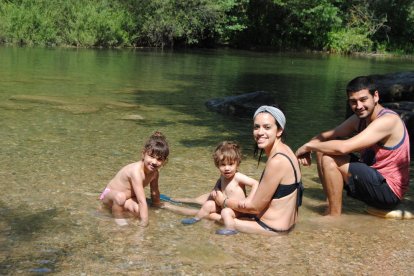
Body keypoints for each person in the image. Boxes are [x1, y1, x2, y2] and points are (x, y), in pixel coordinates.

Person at [295, 76, 410, 216]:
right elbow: (326, 136)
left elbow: (343, 147)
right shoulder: (360, 119)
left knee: (330, 158)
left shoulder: (388, 120)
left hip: (389, 193)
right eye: (353, 102)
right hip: (373, 182)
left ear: (376, 96)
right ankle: (330, 203)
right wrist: (312, 145)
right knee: (322, 151)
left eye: (363, 99)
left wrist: (307, 147)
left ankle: (333, 216)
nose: (359, 106)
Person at [212, 105, 304, 235]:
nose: (260, 132)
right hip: (286, 224)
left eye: (267, 127)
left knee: (211, 215)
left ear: (279, 130)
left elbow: (255, 207)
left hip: (272, 228)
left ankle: (173, 208)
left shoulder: (277, 161)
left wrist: (224, 201)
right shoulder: (287, 151)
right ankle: (176, 203)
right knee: (215, 208)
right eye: (256, 127)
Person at [180, 141, 259, 228]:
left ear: (237, 164)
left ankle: (230, 229)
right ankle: (196, 218)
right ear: (217, 165)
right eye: (223, 165)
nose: (227, 168)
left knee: (226, 212)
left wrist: (249, 200)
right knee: (208, 204)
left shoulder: (238, 177)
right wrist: (215, 189)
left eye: (231, 164)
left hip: (238, 210)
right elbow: (219, 183)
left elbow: (256, 183)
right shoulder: (222, 176)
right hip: (224, 205)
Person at [99, 131, 169, 226]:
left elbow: (154, 192)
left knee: (139, 211)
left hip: (128, 198)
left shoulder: (154, 173)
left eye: (159, 159)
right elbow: (141, 201)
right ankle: (118, 219)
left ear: (164, 161)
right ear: (143, 154)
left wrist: (156, 205)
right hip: (109, 195)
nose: (154, 162)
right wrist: (144, 225)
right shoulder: (136, 172)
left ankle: (123, 214)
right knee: (121, 197)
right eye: (151, 157)